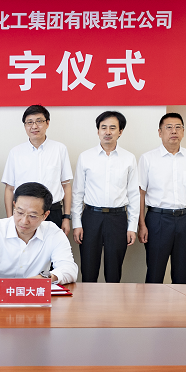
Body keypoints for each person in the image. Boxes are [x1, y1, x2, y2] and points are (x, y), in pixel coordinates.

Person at [0, 182, 78, 285]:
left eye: (32, 215)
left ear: (45, 215)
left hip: (33, 296)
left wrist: (45, 277)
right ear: (14, 206)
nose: (24, 221)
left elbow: (70, 269)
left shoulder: (53, 233)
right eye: (19, 212)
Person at [137, 113, 186, 284]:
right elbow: (140, 193)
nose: (174, 131)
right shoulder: (148, 159)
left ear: (183, 132)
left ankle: (181, 303)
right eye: (168, 127)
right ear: (160, 132)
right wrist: (142, 225)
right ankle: (152, 302)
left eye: (178, 127)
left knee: (182, 273)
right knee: (155, 272)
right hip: (157, 219)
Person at [71, 111, 139, 283]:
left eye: (112, 128)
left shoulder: (129, 158)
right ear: (98, 131)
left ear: (120, 131)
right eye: (103, 127)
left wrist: (132, 227)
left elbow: (133, 194)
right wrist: (77, 224)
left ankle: (113, 301)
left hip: (118, 218)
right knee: (88, 269)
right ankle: (87, 300)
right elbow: (77, 193)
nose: (108, 132)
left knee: (114, 271)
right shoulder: (85, 157)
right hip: (91, 217)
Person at [2, 105, 73, 234]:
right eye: (29, 122)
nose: (34, 126)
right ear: (25, 126)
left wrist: (66, 217)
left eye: (39, 121)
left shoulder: (59, 149)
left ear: (47, 123)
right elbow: (9, 188)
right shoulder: (15, 152)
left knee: (52, 246)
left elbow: (66, 186)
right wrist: (10, 219)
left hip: (52, 211)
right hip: (24, 213)